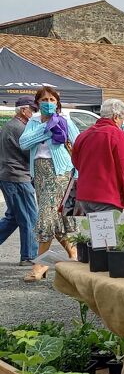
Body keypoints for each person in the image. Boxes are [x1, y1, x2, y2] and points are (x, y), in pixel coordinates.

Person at [19, 86, 81, 282]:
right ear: (37, 103)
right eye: (44, 99)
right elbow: (24, 143)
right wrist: (47, 130)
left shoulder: (66, 121)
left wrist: (79, 173)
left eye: (52, 99)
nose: (48, 103)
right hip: (40, 173)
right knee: (57, 217)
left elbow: (79, 145)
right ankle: (75, 255)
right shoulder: (34, 122)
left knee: (46, 216)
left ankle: (41, 263)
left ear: (57, 102)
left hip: (60, 173)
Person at [71, 99, 124, 214]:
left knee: (95, 231)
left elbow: (76, 161)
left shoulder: (84, 135)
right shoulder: (118, 135)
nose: (123, 122)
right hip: (107, 196)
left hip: (85, 195)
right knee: (106, 232)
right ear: (116, 117)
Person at [0, 96, 39, 266]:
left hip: (9, 176)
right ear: (24, 110)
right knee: (29, 216)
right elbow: (30, 154)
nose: (35, 113)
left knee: (14, 217)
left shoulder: (8, 126)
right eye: (33, 110)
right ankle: (29, 255)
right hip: (18, 177)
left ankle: (29, 254)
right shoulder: (20, 128)